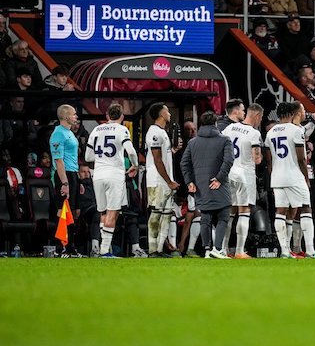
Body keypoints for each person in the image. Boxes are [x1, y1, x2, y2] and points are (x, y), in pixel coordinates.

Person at [265, 102, 315, 258]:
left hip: (277, 177)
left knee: (281, 212)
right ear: (291, 113)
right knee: (305, 209)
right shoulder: (296, 130)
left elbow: (268, 160)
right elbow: (302, 159)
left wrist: (272, 176)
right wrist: (305, 177)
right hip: (294, 175)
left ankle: (284, 251)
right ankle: (310, 250)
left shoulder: (271, 132)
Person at [84, 103, 139, 258]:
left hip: (98, 175)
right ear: (122, 116)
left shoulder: (96, 130)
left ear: (107, 116)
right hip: (114, 174)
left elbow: (88, 157)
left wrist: (101, 159)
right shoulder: (122, 130)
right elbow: (131, 152)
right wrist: (135, 165)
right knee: (113, 212)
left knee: (102, 212)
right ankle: (105, 251)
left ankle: (103, 248)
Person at [181, 111, 234, 259]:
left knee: (205, 217)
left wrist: (189, 182)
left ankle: (206, 250)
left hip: (200, 186)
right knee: (223, 216)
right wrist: (219, 178)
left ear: (201, 124)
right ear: (215, 123)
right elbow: (228, 160)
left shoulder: (192, 143)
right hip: (219, 184)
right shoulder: (225, 140)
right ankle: (218, 249)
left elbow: (184, 163)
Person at [221, 103, 264, 258]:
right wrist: (261, 156)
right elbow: (257, 159)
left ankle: (223, 250)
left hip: (228, 174)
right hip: (245, 175)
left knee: (230, 212)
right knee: (244, 211)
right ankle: (239, 251)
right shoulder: (253, 133)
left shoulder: (229, 128)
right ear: (257, 116)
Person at [145, 103, 181, 257]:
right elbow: (157, 160)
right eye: (167, 111)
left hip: (165, 180)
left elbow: (163, 157)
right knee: (156, 213)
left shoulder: (162, 132)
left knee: (167, 214)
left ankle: (160, 249)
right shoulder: (154, 132)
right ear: (161, 113)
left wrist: (173, 150)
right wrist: (169, 181)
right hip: (157, 180)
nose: (170, 114)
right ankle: (152, 249)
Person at [50, 104, 83, 257]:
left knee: (75, 212)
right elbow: (58, 161)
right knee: (62, 210)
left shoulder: (69, 133)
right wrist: (65, 183)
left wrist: (78, 181)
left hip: (73, 174)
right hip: (63, 176)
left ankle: (70, 247)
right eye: (74, 114)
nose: (76, 117)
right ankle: (59, 248)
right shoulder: (58, 134)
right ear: (65, 116)